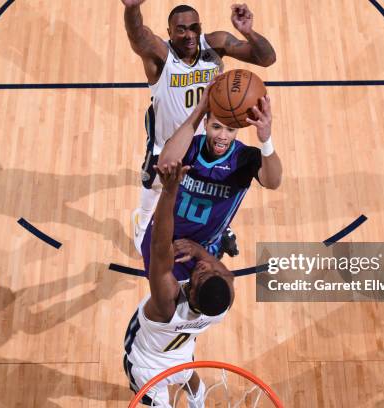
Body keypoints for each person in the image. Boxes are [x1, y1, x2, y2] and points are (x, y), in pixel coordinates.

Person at [121, 0, 277, 256]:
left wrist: (247, 31)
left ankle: (219, 227)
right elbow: (138, 36)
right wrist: (132, 9)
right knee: (154, 183)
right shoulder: (161, 56)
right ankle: (143, 219)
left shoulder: (215, 44)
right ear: (169, 32)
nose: (190, 34)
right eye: (181, 29)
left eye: (194, 27)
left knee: (214, 188)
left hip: (208, 139)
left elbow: (267, 59)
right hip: (168, 140)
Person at [138, 83, 282, 281]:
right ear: (205, 124)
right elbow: (164, 164)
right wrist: (199, 110)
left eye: (230, 129)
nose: (222, 136)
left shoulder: (244, 158)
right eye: (216, 127)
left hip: (201, 249)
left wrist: (266, 140)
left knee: (191, 300)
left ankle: (221, 235)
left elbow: (273, 181)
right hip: (162, 236)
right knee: (160, 292)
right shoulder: (190, 145)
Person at [123, 161, 235, 407]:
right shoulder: (219, 308)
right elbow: (228, 277)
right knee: (190, 377)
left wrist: (169, 191)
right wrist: (200, 252)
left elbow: (159, 247)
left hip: (147, 363)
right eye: (210, 271)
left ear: (192, 293)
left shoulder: (167, 303)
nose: (205, 268)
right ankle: (198, 401)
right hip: (181, 352)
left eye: (201, 275)